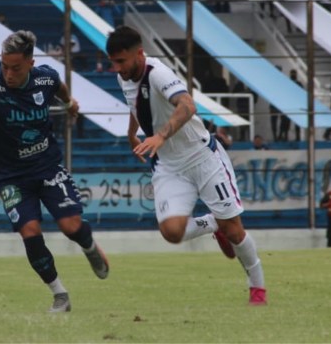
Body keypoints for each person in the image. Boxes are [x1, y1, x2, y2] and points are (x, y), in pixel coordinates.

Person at [0, 30, 108, 313]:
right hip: (9, 176)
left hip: (47, 166)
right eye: (4, 66)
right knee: (29, 231)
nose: (8, 73)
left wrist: (68, 103)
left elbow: (60, 88)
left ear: (30, 62)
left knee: (70, 226)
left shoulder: (46, 77)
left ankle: (89, 247)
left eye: (15, 68)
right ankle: (60, 294)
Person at [105, 25, 267, 305]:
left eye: (121, 61)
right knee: (171, 232)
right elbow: (137, 104)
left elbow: (188, 105)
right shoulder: (125, 76)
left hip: (202, 158)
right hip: (169, 165)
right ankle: (213, 224)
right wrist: (133, 133)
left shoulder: (158, 73)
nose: (117, 68)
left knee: (236, 231)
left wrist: (161, 135)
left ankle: (258, 289)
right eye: (114, 62)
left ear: (139, 54)